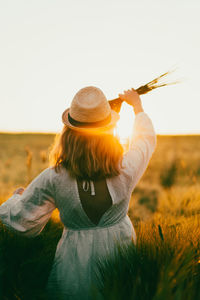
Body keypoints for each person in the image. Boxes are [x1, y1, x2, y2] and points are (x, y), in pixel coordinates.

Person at [0, 86, 156, 299]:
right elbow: (144, 141)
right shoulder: (126, 168)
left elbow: (22, 221)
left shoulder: (54, 177)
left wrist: (17, 198)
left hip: (73, 268)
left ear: (69, 133)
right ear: (109, 132)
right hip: (120, 258)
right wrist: (137, 106)